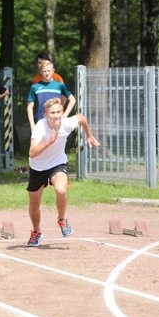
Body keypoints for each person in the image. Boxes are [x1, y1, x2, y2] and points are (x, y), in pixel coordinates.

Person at [26, 98, 100, 247]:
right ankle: (37, 232)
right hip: (38, 167)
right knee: (34, 203)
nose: (56, 115)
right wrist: (48, 142)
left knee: (61, 190)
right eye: (52, 112)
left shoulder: (66, 123)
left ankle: (62, 219)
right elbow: (32, 153)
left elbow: (81, 118)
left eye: (59, 112)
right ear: (45, 115)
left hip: (57, 163)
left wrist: (89, 135)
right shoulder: (40, 127)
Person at [27, 60, 76, 132]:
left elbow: (72, 100)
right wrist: (32, 125)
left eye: (49, 71)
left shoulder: (59, 85)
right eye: (44, 71)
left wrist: (64, 116)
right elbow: (29, 107)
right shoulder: (35, 87)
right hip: (41, 122)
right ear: (40, 72)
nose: (47, 73)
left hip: (57, 123)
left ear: (53, 71)